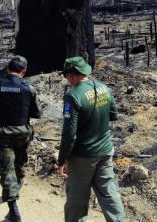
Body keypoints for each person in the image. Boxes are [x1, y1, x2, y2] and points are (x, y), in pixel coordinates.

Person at [57, 56, 125, 222]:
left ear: (72, 75)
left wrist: (61, 160)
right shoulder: (104, 88)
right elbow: (113, 116)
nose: (67, 80)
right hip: (105, 151)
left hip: (83, 157)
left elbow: (69, 135)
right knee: (109, 194)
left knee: (77, 201)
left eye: (67, 76)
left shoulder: (73, 97)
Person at [0, 55, 41, 222]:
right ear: (23, 71)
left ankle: (13, 211)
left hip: (3, 134)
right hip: (23, 133)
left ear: (7, 68)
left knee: (6, 170)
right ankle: (17, 185)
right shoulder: (29, 88)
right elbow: (37, 113)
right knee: (18, 164)